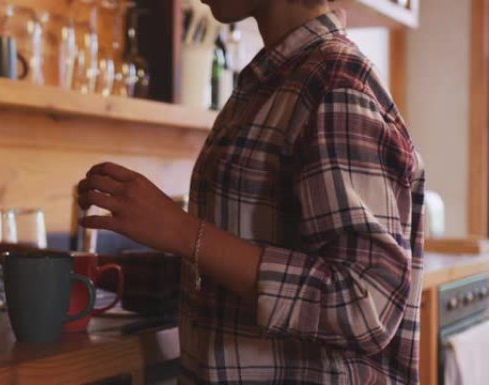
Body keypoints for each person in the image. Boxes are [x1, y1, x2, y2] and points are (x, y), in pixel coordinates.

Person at [77, 0, 425, 383]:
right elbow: (227, 271)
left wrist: (182, 231)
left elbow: (366, 304)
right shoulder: (276, 79)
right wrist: (91, 277)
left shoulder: (335, 83)